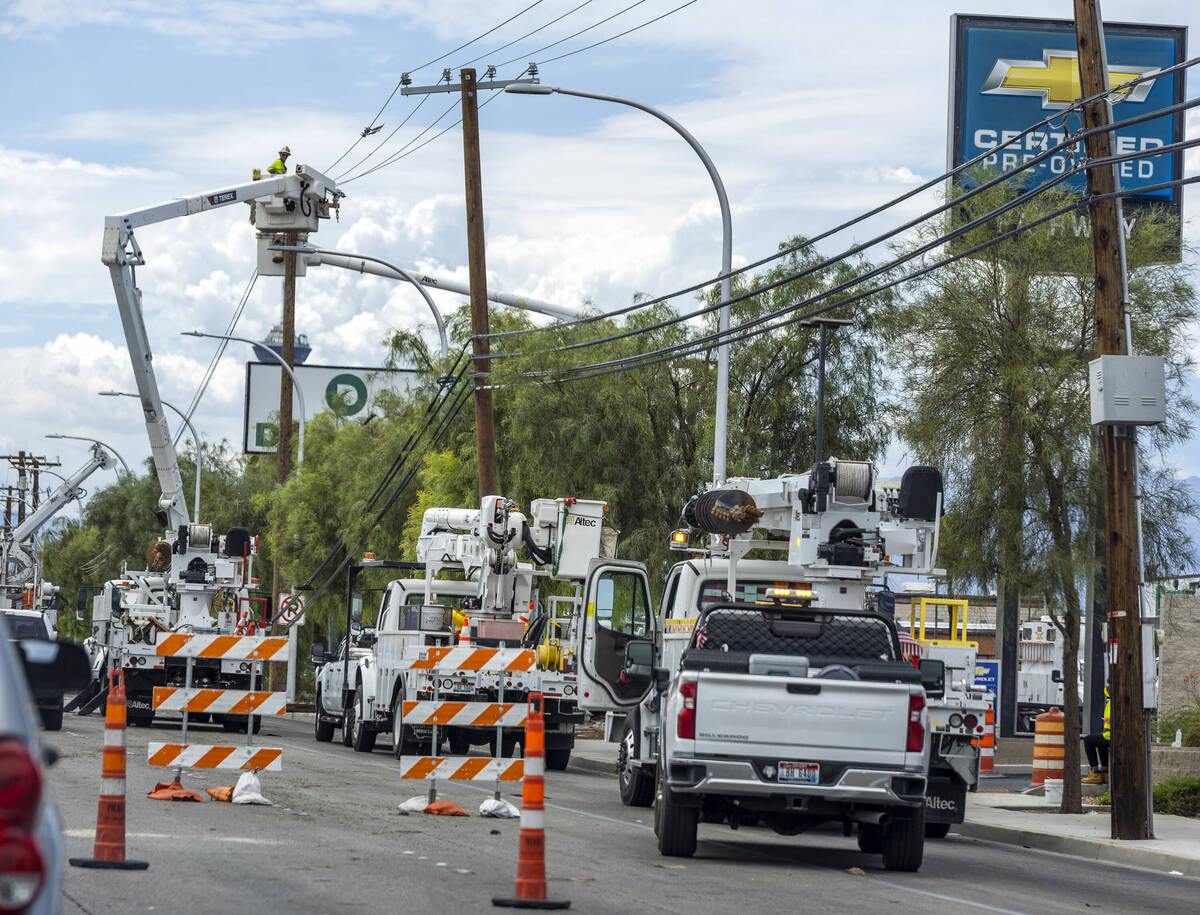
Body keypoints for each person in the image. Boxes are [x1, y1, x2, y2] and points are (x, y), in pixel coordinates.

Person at [1082, 686, 1111, 784]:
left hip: (1110, 736)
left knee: (1088, 740)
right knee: (1099, 741)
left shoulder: (1110, 704)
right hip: (1112, 736)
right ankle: (1105, 771)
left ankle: (1095, 772)